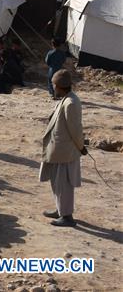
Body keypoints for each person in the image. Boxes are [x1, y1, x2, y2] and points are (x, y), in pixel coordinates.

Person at [39, 70, 85, 227]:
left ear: (59, 86)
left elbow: (76, 130)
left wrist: (81, 147)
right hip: (58, 150)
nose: (53, 87)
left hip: (65, 151)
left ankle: (67, 217)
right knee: (56, 182)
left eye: (54, 85)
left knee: (64, 184)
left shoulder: (71, 103)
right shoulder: (65, 99)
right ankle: (60, 210)